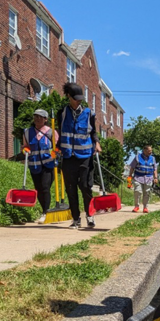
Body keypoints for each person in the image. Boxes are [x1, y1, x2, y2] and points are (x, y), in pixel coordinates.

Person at [58, 82, 101, 229]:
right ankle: (76, 219)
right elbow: (60, 132)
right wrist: (57, 147)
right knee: (70, 189)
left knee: (85, 187)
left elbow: (93, 132)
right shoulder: (62, 113)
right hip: (68, 157)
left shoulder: (89, 113)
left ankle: (90, 215)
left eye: (80, 99)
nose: (78, 101)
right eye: (76, 99)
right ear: (68, 97)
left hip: (85, 156)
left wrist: (97, 143)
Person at [23, 109, 58, 223]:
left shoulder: (51, 132)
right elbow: (25, 146)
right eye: (35, 116)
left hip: (49, 165)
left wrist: (56, 153)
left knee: (45, 187)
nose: (37, 119)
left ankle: (45, 213)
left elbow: (58, 147)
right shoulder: (27, 132)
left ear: (45, 119)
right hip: (34, 165)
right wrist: (25, 150)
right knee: (39, 189)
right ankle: (44, 210)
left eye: (40, 117)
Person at [128, 145, 158, 213]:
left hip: (149, 178)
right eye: (149, 151)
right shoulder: (137, 157)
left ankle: (145, 207)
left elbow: (155, 169)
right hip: (138, 177)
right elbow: (132, 167)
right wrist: (130, 176)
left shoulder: (153, 158)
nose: (151, 152)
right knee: (137, 191)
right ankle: (136, 206)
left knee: (147, 193)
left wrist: (155, 177)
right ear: (144, 150)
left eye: (151, 151)